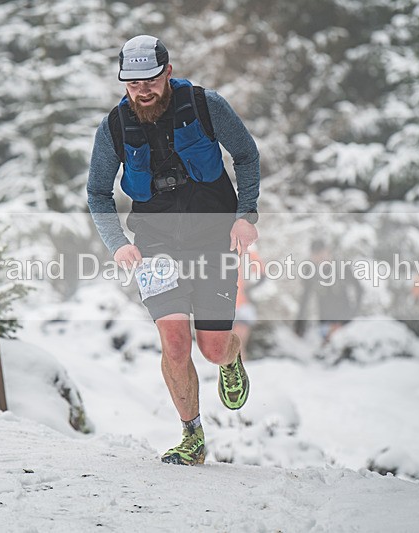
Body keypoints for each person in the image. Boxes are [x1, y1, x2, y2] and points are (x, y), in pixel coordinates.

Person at [86, 35, 260, 466]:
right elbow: (98, 193)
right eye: (132, 83)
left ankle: (230, 358)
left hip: (213, 235)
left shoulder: (205, 105)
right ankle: (192, 436)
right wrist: (118, 244)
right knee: (176, 342)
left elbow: (246, 154)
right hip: (155, 244)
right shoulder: (113, 128)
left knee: (212, 348)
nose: (142, 90)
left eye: (149, 80)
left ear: (166, 72)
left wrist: (246, 214)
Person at [294, 239, 362, 345]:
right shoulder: (310, 272)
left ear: (327, 252)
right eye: (315, 255)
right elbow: (305, 298)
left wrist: (352, 313)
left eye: (321, 254)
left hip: (345, 320)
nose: (319, 258)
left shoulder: (342, 267)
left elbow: (359, 290)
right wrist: (299, 325)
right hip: (325, 322)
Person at [233, 248, 264, 360]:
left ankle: (239, 367)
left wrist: (250, 289)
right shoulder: (226, 254)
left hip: (245, 304)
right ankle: (236, 367)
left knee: (239, 340)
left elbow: (262, 276)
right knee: (235, 340)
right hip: (231, 303)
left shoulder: (251, 255)